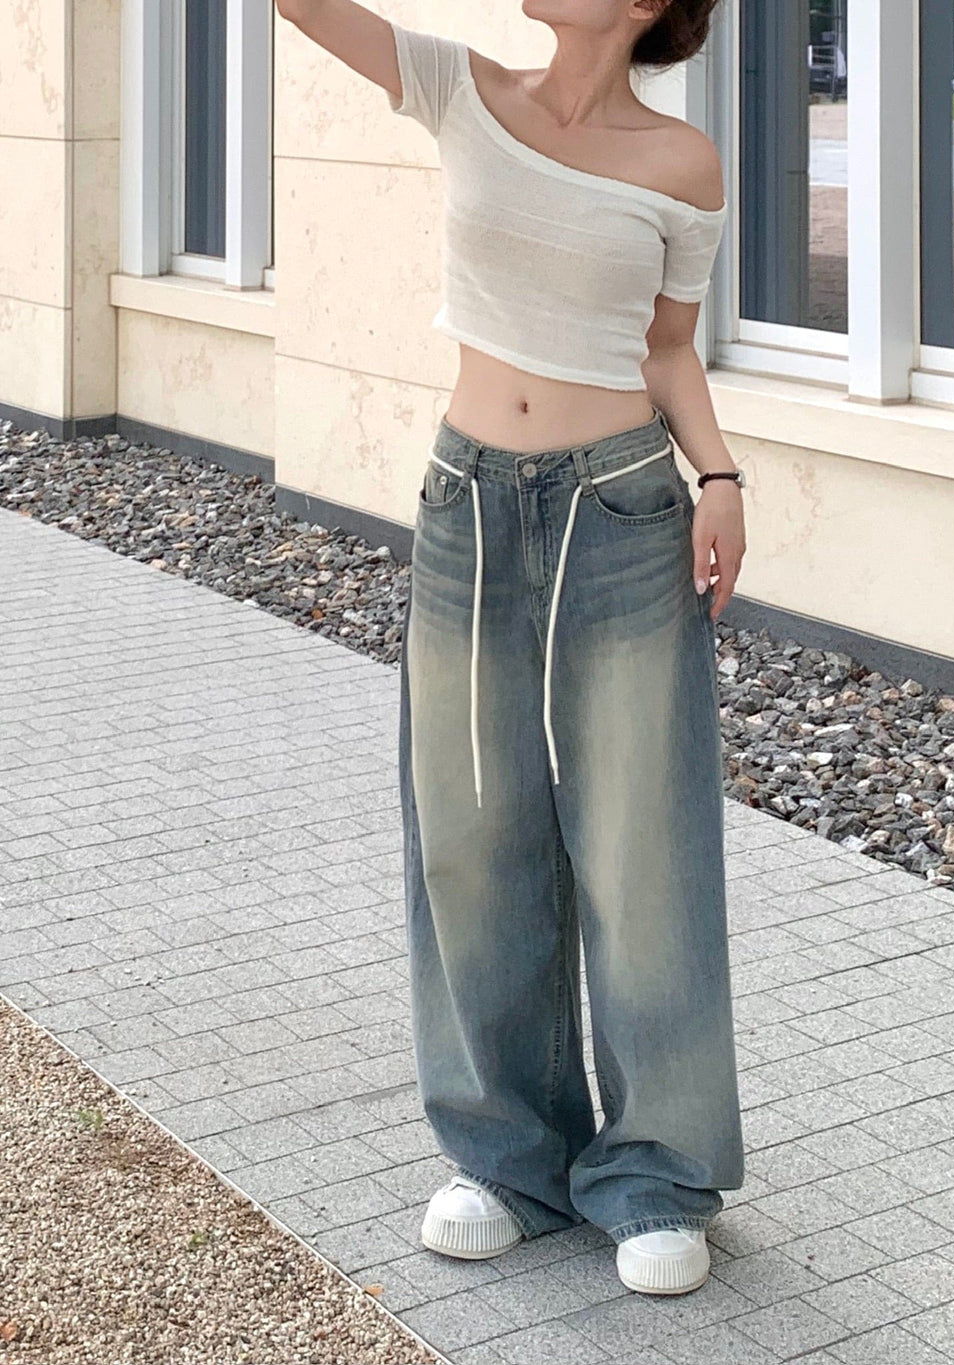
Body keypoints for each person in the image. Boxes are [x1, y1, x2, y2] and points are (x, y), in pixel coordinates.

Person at [276, 0, 746, 1297]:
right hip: (467, 506)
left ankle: (656, 1173)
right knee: (470, 833)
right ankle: (507, 1158)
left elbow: (667, 349)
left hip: (623, 507)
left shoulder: (682, 163)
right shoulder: (460, 87)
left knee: (641, 846)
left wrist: (720, 477)